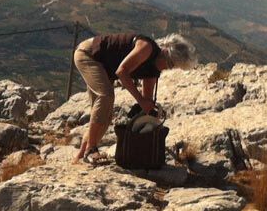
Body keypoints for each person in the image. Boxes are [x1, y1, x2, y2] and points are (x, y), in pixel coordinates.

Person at [73, 32, 195, 164]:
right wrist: (141, 101)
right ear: (165, 52)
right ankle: (91, 149)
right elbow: (122, 71)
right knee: (107, 95)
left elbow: (147, 101)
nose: (168, 68)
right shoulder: (146, 48)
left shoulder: (153, 71)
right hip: (89, 55)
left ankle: (80, 157)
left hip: (104, 65)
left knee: (105, 115)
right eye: (170, 64)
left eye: (172, 67)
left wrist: (153, 112)